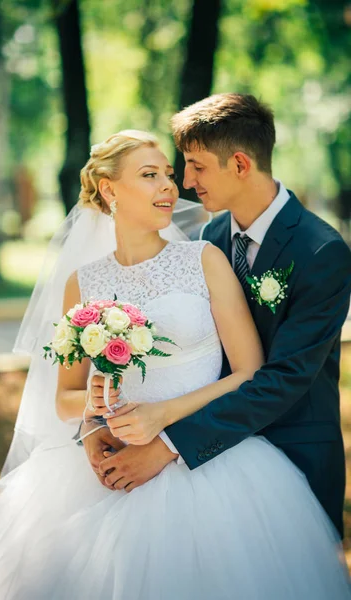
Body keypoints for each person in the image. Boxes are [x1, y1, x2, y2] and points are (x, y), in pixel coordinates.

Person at [0, 130, 350, 599]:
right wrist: (92, 416)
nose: (170, 186)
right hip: (106, 465)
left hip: (211, 467)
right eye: (149, 175)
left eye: (168, 174)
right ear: (109, 190)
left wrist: (163, 420)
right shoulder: (84, 282)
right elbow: (64, 397)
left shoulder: (205, 258)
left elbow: (248, 372)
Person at [89, 94, 351, 543]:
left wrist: (168, 445)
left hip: (289, 450)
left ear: (242, 165)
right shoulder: (210, 237)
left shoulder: (321, 252)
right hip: (207, 454)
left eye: (197, 166)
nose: (186, 182)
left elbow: (283, 378)